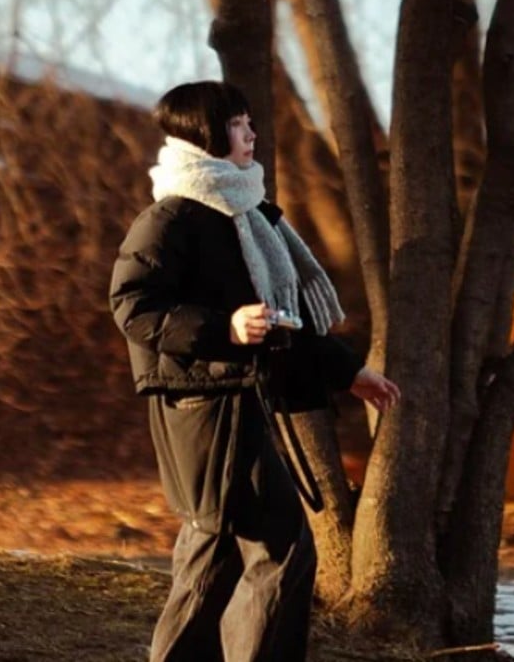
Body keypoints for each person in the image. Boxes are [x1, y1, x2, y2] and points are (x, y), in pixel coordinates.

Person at [109, 81, 399, 662]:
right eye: (238, 124)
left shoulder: (245, 215)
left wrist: (348, 372)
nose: (251, 134)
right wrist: (227, 328)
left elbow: (282, 321)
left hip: (238, 401)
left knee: (214, 554)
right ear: (206, 133)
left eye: (247, 122)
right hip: (203, 410)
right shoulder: (171, 217)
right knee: (280, 546)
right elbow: (133, 307)